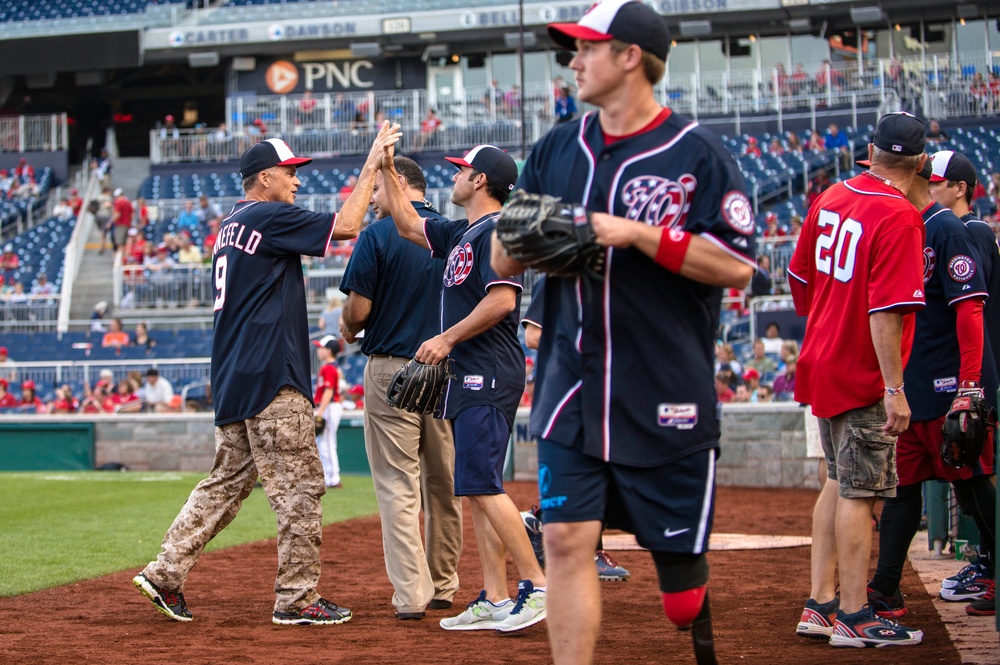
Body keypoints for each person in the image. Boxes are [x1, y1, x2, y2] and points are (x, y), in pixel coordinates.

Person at [491, 2, 757, 662]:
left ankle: (690, 596)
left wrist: (636, 234)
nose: (573, 62)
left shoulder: (697, 153)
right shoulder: (557, 147)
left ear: (630, 56)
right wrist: (536, 239)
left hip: (667, 390)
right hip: (569, 387)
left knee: (679, 599)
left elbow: (738, 266)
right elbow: (502, 260)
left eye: (586, 48)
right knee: (565, 541)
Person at [132, 128, 399, 625]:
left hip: (233, 375)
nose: (296, 181)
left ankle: (165, 573)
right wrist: (370, 167)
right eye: (290, 172)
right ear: (264, 178)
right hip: (273, 375)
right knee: (300, 488)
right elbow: (346, 225)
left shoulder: (229, 224)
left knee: (225, 483)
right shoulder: (266, 214)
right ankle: (296, 600)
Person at [379, 143, 547, 633]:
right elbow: (409, 224)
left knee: (484, 485)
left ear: (479, 181)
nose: (453, 178)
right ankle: (495, 596)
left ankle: (537, 586)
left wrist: (446, 338)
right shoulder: (463, 231)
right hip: (470, 372)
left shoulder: (499, 232)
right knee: (475, 485)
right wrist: (388, 167)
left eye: (461, 171)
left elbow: (501, 303)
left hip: (488, 369)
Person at [788, 111, 927, 647]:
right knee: (860, 492)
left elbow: (799, 280)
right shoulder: (899, 215)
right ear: (917, 163)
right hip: (861, 369)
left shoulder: (831, 195)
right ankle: (853, 613)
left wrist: (829, 321)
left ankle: (820, 604)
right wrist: (894, 386)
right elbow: (886, 311)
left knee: (835, 480)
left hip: (821, 356)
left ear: (871, 151)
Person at [867, 153, 998, 621]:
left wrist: (969, 386)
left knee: (972, 483)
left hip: (948, 388)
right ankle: (884, 588)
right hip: (913, 385)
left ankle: (994, 569)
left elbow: (970, 311)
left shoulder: (948, 228)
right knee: (903, 489)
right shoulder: (906, 224)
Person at [338, 154, 464, 620]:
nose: (371, 200)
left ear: (399, 184)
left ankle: (413, 595)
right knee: (444, 484)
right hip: (446, 369)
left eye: (375, 190)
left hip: (392, 366)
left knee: (397, 485)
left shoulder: (377, 235)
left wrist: (346, 325)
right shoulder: (455, 234)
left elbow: (358, 312)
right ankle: (446, 585)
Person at [518, 276, 632, 583]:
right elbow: (532, 336)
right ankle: (588, 552)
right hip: (566, 395)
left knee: (608, 471)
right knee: (590, 470)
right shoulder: (554, 279)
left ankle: (541, 523)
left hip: (602, 391)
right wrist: (581, 343)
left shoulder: (604, 281)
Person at [312, 334, 343, 489]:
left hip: (329, 407)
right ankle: (327, 477)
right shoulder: (328, 367)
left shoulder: (329, 368)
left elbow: (329, 392)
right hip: (326, 406)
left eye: (321, 348)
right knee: (322, 444)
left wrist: (320, 412)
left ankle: (333, 478)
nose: (318, 350)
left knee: (328, 444)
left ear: (329, 350)